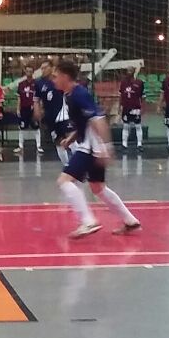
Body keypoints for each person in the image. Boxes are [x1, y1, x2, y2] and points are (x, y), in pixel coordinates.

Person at [53, 60, 141, 239]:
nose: (53, 80)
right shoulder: (70, 95)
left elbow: (98, 120)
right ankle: (130, 220)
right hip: (90, 144)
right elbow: (85, 122)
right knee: (98, 187)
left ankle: (88, 221)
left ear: (65, 76)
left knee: (64, 180)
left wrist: (104, 147)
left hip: (91, 147)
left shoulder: (79, 94)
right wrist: (72, 138)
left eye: (56, 76)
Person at [31, 61, 56, 156]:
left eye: (45, 68)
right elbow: (36, 98)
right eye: (42, 68)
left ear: (52, 68)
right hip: (48, 112)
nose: (43, 70)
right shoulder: (39, 82)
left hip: (61, 112)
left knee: (66, 136)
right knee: (56, 139)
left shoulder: (58, 79)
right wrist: (37, 110)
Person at [119, 68, 146, 152]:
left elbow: (143, 97)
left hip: (136, 108)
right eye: (128, 71)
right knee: (125, 126)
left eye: (130, 70)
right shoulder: (123, 83)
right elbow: (121, 96)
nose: (129, 72)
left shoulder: (139, 83)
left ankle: (139, 144)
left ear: (134, 72)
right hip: (126, 107)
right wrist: (119, 107)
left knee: (138, 126)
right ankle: (124, 144)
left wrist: (143, 107)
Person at [15, 66, 38, 154]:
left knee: (36, 126)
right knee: (22, 127)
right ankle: (20, 146)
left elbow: (39, 97)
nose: (29, 73)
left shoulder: (36, 83)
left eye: (30, 71)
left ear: (33, 72)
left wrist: (37, 107)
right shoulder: (21, 84)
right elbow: (19, 98)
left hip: (33, 108)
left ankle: (38, 146)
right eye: (27, 71)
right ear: (25, 72)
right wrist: (18, 109)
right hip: (24, 108)